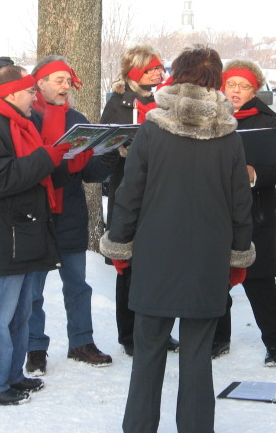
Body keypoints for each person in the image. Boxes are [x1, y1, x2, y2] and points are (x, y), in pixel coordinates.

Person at [99, 46, 255, 433]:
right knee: (198, 359)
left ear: (176, 77)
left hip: (156, 258)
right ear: (216, 82)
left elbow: (128, 196)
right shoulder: (229, 137)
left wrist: (120, 246)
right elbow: (241, 205)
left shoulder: (152, 129)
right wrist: (238, 257)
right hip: (207, 260)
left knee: (147, 355)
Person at [0, 65, 71, 405]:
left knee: (20, 312)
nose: (33, 96)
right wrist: (45, 158)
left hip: (21, 234)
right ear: (10, 93)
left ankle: (11, 376)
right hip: (2, 237)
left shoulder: (17, 124)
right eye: (29, 91)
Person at [24, 56, 117, 375]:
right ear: (40, 83)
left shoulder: (77, 119)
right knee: (32, 290)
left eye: (68, 80)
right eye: (59, 80)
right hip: (36, 217)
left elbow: (90, 172)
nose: (66, 86)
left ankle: (81, 342)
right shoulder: (25, 119)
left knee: (78, 285)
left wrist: (108, 156)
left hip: (70, 215)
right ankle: (34, 347)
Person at [100, 45, 179, 357]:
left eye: (160, 67)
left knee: (162, 266)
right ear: (135, 73)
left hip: (162, 194)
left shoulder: (167, 101)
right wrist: (120, 149)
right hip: (129, 194)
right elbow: (103, 149)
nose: (159, 73)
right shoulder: (118, 104)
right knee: (128, 267)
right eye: (151, 69)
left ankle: (160, 330)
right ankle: (129, 335)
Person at [213, 59, 276, 366]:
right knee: (217, 280)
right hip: (218, 211)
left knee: (259, 281)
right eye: (231, 84)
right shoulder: (212, 115)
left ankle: (275, 342)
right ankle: (219, 339)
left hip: (255, 212)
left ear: (254, 90)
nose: (236, 91)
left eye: (244, 86)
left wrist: (253, 173)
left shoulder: (267, 119)